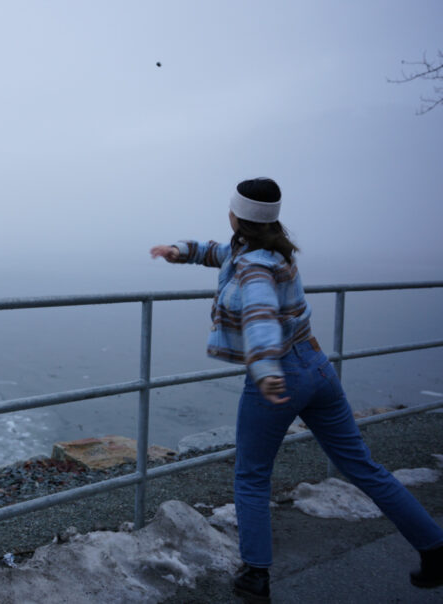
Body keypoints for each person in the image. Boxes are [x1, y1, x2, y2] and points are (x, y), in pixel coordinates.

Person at [149, 177, 443, 602]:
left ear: (236, 213)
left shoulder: (254, 267)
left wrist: (267, 370)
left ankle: (255, 577)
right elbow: (218, 253)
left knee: (251, 477)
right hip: (316, 366)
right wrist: (182, 252)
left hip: (281, 374)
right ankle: (434, 548)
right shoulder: (262, 250)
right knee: (363, 466)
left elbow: (261, 313)